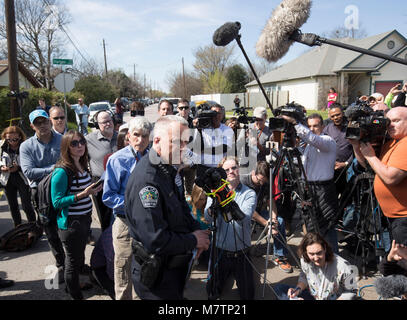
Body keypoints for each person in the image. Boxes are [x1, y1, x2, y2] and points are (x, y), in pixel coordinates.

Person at [125, 115, 210, 300]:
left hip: (173, 269)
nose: (184, 149)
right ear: (157, 141)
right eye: (177, 142)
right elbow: (154, 239)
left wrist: (198, 232)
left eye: (186, 142)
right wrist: (193, 240)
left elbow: (181, 209)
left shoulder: (167, 169)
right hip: (157, 278)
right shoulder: (147, 181)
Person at [102, 117, 152, 300]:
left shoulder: (155, 158)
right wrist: (133, 204)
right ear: (129, 136)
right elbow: (108, 196)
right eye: (136, 135)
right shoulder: (117, 160)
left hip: (148, 224)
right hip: (124, 222)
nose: (140, 140)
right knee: (123, 268)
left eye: (144, 136)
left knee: (146, 267)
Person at [50, 130, 103, 300]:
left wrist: (93, 189)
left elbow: (83, 190)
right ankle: (75, 295)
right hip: (71, 223)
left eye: (81, 142)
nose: (79, 145)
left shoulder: (81, 163)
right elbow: (56, 202)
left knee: (78, 257)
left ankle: (73, 288)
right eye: (74, 143)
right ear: (66, 147)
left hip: (84, 219)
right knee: (72, 263)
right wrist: (83, 194)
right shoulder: (62, 171)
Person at [350, 106, 407, 250]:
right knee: (394, 256)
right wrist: (357, 147)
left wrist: (370, 155)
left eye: (396, 121)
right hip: (391, 215)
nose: (391, 125)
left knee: (401, 260)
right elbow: (369, 167)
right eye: (389, 121)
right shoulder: (392, 143)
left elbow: (390, 178)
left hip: (403, 218)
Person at [282, 112, 339, 253]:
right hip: (308, 188)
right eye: (309, 126)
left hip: (323, 189)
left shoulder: (327, 141)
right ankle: (315, 257)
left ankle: (333, 260)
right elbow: (300, 162)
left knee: (326, 227)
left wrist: (296, 124)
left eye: (315, 126)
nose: (312, 129)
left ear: (323, 126)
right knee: (311, 226)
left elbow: (314, 139)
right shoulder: (309, 145)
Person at [20, 109, 65, 281]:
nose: (43, 125)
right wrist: (54, 169)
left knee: (68, 229)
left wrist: (51, 170)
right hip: (40, 193)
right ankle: (61, 265)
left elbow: (68, 162)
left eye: (45, 121)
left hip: (62, 190)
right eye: (38, 123)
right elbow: (29, 172)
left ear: (49, 121)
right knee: (51, 231)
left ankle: (74, 265)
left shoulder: (62, 140)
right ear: (32, 126)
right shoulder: (26, 146)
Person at [204, 156, 257, 300]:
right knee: (212, 292)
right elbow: (207, 217)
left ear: (239, 169)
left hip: (242, 253)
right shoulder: (215, 191)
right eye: (226, 170)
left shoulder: (249, 193)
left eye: (234, 167)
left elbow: (244, 219)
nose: (231, 171)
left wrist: (226, 201)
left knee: (248, 295)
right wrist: (214, 206)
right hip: (220, 252)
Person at [241, 161, 293, 273]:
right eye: (259, 180)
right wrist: (267, 223)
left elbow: (271, 202)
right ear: (253, 173)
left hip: (259, 212)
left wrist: (273, 219)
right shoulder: (243, 181)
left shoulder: (265, 183)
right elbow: (249, 211)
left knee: (280, 221)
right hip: (243, 214)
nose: (261, 183)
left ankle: (279, 256)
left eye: (263, 181)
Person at [273, 232, 357, 300]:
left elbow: (352, 291)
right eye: (311, 254)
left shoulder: (343, 266)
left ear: (325, 248)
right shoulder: (305, 259)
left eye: (319, 253)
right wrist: (297, 290)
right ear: (306, 252)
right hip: (315, 296)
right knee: (278, 288)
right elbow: (304, 276)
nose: (316, 258)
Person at [86, 110, 118, 232]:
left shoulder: (121, 137)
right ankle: (106, 242)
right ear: (97, 124)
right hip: (100, 183)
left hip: (120, 182)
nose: (108, 124)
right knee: (104, 216)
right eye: (104, 122)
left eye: (109, 121)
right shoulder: (88, 140)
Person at [0, 126, 36, 227]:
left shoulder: (26, 146)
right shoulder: (1, 146)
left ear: (20, 137)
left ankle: (33, 226)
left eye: (15, 139)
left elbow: (31, 162)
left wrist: (19, 167)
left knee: (26, 205)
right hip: (7, 178)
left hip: (22, 177)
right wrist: (2, 166)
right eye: (9, 139)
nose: (12, 142)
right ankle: (18, 226)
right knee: (12, 205)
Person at [192, 104, 235, 177]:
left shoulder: (227, 130)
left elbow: (224, 148)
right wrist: (197, 129)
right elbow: (196, 148)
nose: (216, 116)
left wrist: (205, 150)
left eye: (219, 113)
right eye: (213, 113)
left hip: (219, 167)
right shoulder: (202, 128)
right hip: (203, 167)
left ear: (222, 115)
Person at [322, 104, 353, 199]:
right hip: (332, 170)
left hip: (348, 170)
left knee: (347, 197)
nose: (336, 118)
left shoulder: (351, 127)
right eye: (333, 116)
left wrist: (346, 163)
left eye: (338, 114)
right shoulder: (327, 129)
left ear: (343, 113)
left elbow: (357, 149)